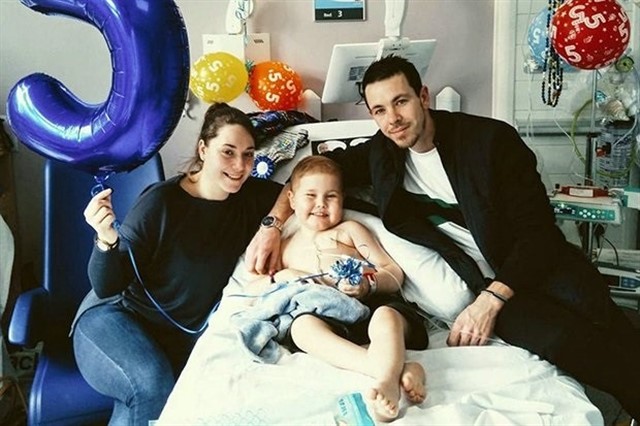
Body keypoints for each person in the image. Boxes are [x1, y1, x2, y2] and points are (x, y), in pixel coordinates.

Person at [246, 55, 640, 419]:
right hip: (481, 280)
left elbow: (539, 233)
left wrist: (490, 300)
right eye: (379, 110)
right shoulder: (381, 154)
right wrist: (272, 226)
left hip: (533, 263)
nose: (393, 119)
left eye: (400, 102)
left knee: (606, 319)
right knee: (564, 343)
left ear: (423, 96)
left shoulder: (489, 143)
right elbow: (314, 174)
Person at [72, 102, 283, 425]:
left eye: (248, 154)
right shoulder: (161, 203)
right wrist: (105, 239)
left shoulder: (250, 196)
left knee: (139, 406)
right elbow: (107, 285)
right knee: (151, 385)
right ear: (203, 148)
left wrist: (272, 226)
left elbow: (300, 188)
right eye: (228, 152)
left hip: (173, 335)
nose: (240, 166)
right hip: (114, 319)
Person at [247, 155, 428, 422]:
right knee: (301, 328)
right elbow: (252, 290)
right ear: (292, 200)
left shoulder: (349, 231)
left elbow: (392, 271)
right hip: (330, 321)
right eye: (311, 195)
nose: (321, 204)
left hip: (372, 308)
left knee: (386, 318)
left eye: (330, 196)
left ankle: (387, 381)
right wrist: (283, 276)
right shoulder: (285, 248)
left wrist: (369, 284)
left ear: (342, 199)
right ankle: (390, 368)